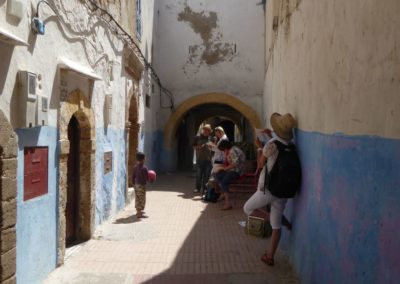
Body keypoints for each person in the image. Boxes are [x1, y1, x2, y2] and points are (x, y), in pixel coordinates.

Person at [243, 112, 297, 266]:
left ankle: (279, 220)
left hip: (268, 188)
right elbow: (279, 145)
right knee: (276, 226)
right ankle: (270, 255)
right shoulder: (290, 145)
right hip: (283, 189)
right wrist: (270, 135)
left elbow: (260, 164)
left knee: (247, 208)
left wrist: (260, 148)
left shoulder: (271, 144)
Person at [215, 140, 245, 210]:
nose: (222, 151)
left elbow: (235, 164)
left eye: (222, 149)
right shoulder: (231, 150)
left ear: (225, 147)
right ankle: (223, 192)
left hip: (237, 171)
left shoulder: (233, 151)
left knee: (224, 182)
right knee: (218, 175)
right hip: (233, 170)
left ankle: (227, 203)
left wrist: (225, 169)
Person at [193, 124, 212, 194]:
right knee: (199, 175)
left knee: (207, 176)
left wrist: (211, 147)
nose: (206, 131)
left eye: (208, 130)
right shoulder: (197, 138)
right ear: (203, 130)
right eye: (205, 129)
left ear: (209, 131)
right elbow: (193, 146)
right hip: (199, 159)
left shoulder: (211, 138)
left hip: (208, 159)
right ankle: (197, 188)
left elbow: (214, 149)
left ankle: (205, 189)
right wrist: (200, 147)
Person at [132, 152, 149, 218]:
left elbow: (133, 176)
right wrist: (151, 179)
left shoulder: (135, 167)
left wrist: (133, 184)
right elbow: (146, 178)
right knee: (141, 198)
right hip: (142, 185)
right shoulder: (144, 168)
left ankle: (138, 211)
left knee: (138, 197)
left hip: (136, 185)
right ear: (143, 159)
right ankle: (138, 213)